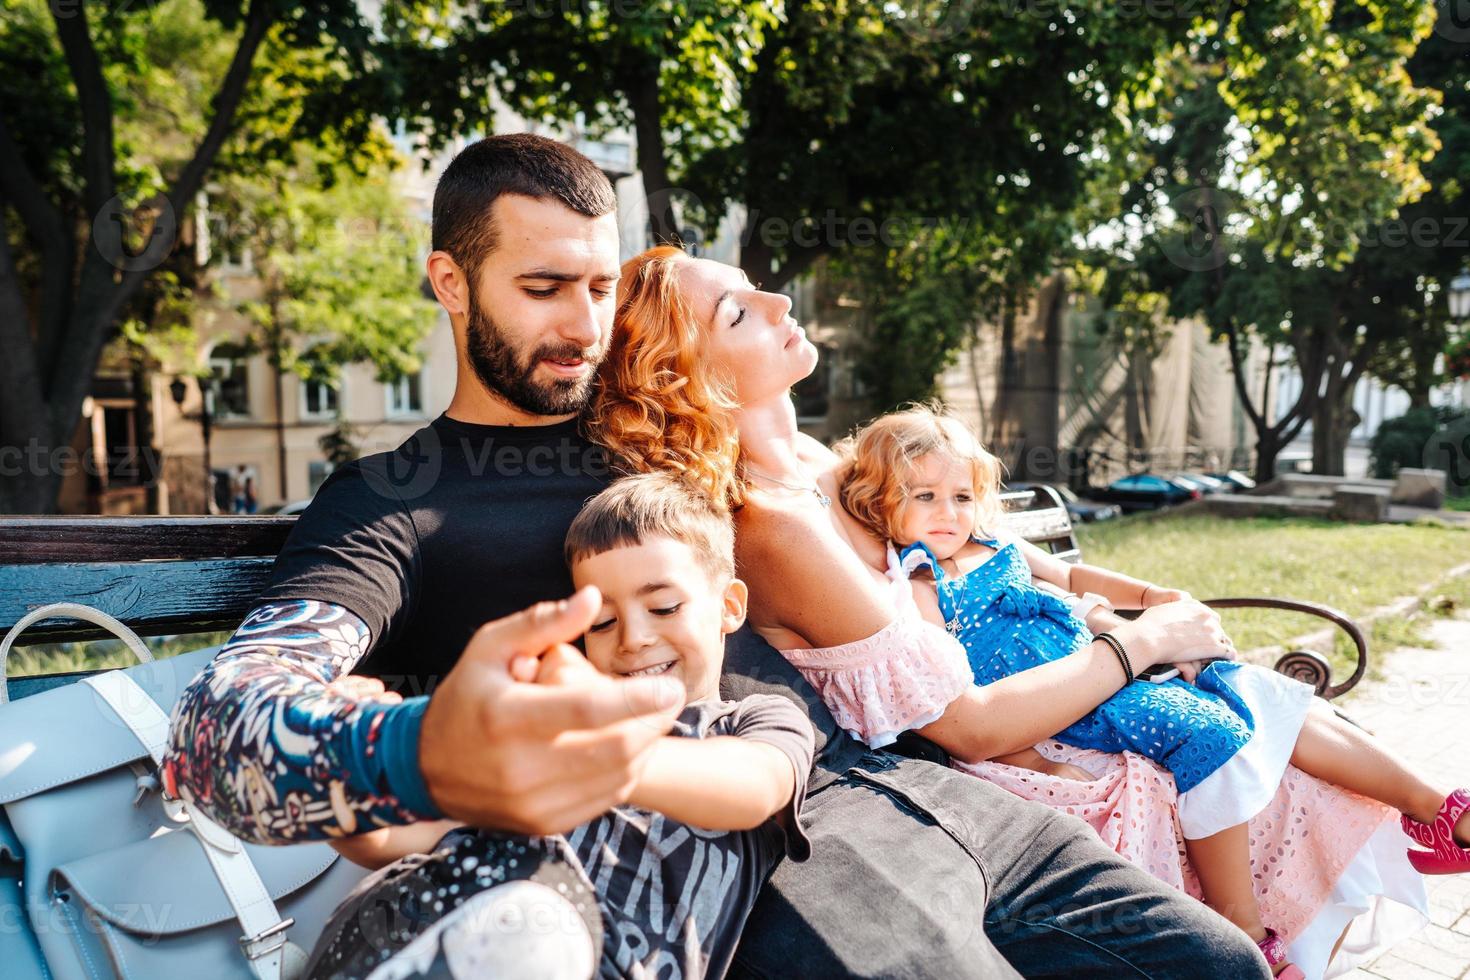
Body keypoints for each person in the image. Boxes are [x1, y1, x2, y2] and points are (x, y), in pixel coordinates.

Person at [162, 133, 1270, 979]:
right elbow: (224, 721)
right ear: (451, 284)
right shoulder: (393, 501)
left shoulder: (667, 422)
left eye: (599, 288)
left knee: (1216, 962)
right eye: (542, 289)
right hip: (755, 848)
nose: (583, 325)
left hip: (921, 786)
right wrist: (418, 747)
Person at [592, 244, 1430, 979]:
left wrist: (1130, 610)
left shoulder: (825, 462)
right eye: (740, 310)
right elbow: (967, 727)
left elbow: (994, 555)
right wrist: (1137, 643)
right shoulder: (770, 524)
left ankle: (1431, 819)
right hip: (995, 754)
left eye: (756, 286)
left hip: (1045, 682)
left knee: (1246, 701)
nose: (779, 302)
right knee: (1230, 734)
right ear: (695, 377)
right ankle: (1285, 917)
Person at [828, 403, 1470, 977]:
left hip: (1108, 665)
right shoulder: (918, 588)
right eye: (925, 497)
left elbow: (1075, 574)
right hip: (1077, 702)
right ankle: (1244, 931)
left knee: (1244, 683)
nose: (950, 514)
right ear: (882, 502)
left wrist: (1151, 599)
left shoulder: (994, 542)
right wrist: (1033, 749)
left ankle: (1442, 812)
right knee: (1210, 732)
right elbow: (955, 695)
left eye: (963, 497)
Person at [308, 472, 814, 979]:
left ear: (728, 607)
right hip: (423, 921)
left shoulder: (755, 720)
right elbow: (382, 844)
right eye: (602, 622)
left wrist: (605, 757)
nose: (634, 637)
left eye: (663, 607)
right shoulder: (552, 731)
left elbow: (755, 786)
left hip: (571, 952)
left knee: (533, 920)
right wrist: (347, 761)